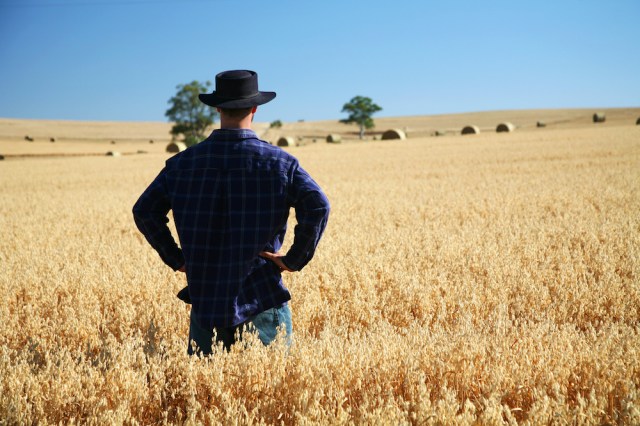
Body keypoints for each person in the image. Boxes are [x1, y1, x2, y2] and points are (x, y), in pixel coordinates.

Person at [132, 70, 330, 355]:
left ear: (217, 107)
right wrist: (293, 260)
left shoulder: (181, 164)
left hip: (206, 303)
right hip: (262, 298)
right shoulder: (280, 162)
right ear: (255, 108)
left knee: (207, 395)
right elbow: (318, 205)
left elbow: (144, 211)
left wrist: (177, 259)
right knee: (270, 394)